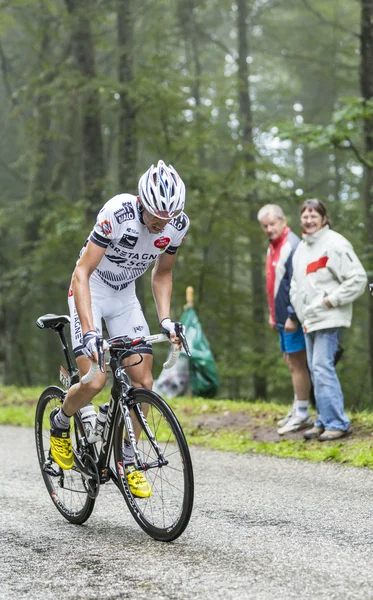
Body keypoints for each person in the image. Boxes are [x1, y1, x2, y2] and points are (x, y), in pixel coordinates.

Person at [49, 160, 189, 497]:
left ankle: (128, 460)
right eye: (156, 217)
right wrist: (90, 330)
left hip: (125, 294)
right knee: (96, 379)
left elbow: (163, 273)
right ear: (141, 203)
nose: (161, 225)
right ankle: (60, 422)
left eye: (168, 218)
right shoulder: (117, 212)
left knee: (143, 381)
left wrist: (166, 319)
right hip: (91, 290)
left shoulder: (177, 224)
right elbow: (82, 272)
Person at [290, 198, 367, 441]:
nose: (309, 220)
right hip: (309, 319)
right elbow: (296, 284)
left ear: (324, 218)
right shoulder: (302, 247)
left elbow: (358, 279)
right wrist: (302, 312)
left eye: (314, 216)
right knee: (315, 369)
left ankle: (337, 422)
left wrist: (328, 301)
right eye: (305, 216)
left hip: (329, 317)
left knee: (322, 367)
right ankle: (323, 420)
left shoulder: (335, 243)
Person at [257, 204, 312, 435]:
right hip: (280, 316)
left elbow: (297, 284)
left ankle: (303, 413)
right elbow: (275, 284)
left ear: (283, 221)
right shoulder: (273, 246)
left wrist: (292, 316)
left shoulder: (293, 245)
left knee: (298, 363)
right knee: (290, 362)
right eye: (265, 226)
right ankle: (297, 405)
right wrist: (274, 314)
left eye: (272, 224)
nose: (269, 229)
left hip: (293, 318)